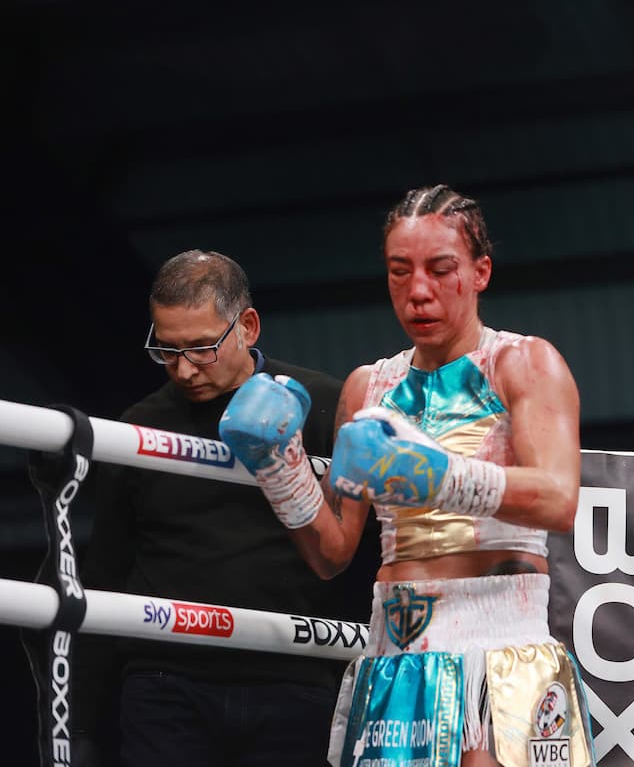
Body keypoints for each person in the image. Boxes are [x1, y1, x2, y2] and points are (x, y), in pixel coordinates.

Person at [219, 184, 595, 767]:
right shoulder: (367, 389)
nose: (418, 291)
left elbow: (559, 499)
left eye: (441, 269)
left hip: (497, 645)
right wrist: (280, 470)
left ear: (480, 272)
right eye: (400, 272)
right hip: (395, 647)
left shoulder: (521, 363)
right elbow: (332, 553)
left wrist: (438, 476)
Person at [74, 250, 366, 767]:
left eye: (201, 348)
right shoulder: (137, 429)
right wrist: (82, 726)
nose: (183, 369)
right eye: (166, 350)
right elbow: (107, 569)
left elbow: (366, 553)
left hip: (296, 677)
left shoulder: (324, 406)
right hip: (166, 683)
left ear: (247, 326)